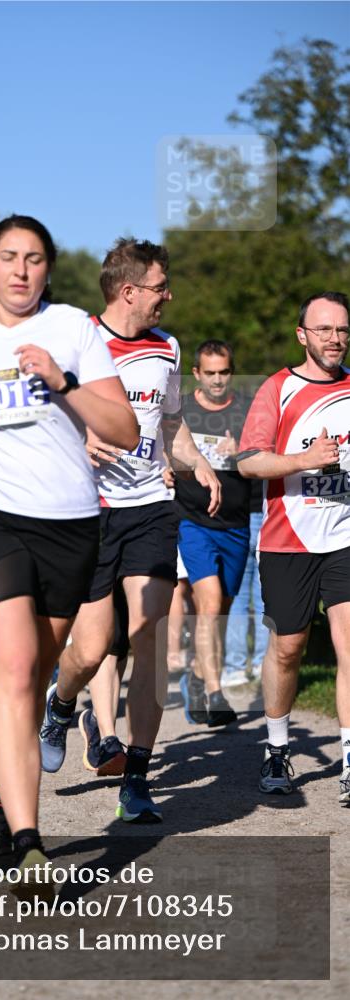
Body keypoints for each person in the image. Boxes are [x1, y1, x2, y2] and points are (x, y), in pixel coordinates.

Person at [0, 215, 139, 893]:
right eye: (7, 257)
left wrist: (65, 383)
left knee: (36, 671)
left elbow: (123, 430)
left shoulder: (73, 329)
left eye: (33, 259)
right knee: (12, 670)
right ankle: (30, 844)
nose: (20, 270)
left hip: (68, 525)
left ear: (47, 268)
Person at [38, 238, 221, 824]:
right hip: (89, 511)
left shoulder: (166, 347)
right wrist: (77, 436)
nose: (168, 296)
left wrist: (198, 461)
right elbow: (41, 417)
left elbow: (170, 422)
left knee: (149, 640)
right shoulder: (77, 342)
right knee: (90, 649)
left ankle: (137, 779)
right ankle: (62, 703)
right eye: (161, 286)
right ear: (129, 291)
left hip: (149, 505)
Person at [237, 291, 350, 806]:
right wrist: (304, 459)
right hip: (288, 541)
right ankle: (277, 748)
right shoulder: (278, 389)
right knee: (288, 648)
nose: (335, 339)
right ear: (302, 335)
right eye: (324, 330)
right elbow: (248, 463)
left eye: (343, 330)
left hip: (345, 537)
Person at [177, 340, 252, 727]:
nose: (218, 380)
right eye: (211, 373)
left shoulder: (246, 411)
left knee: (220, 610)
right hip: (193, 521)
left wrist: (243, 452)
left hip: (236, 525)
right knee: (207, 603)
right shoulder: (183, 411)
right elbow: (164, 449)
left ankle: (197, 672)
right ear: (197, 375)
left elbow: (264, 456)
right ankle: (214, 693)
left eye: (224, 372)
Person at [223, 476, 270, 683]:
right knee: (264, 599)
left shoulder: (234, 443)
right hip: (270, 514)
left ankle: (235, 668)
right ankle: (263, 664)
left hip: (239, 516)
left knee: (238, 599)